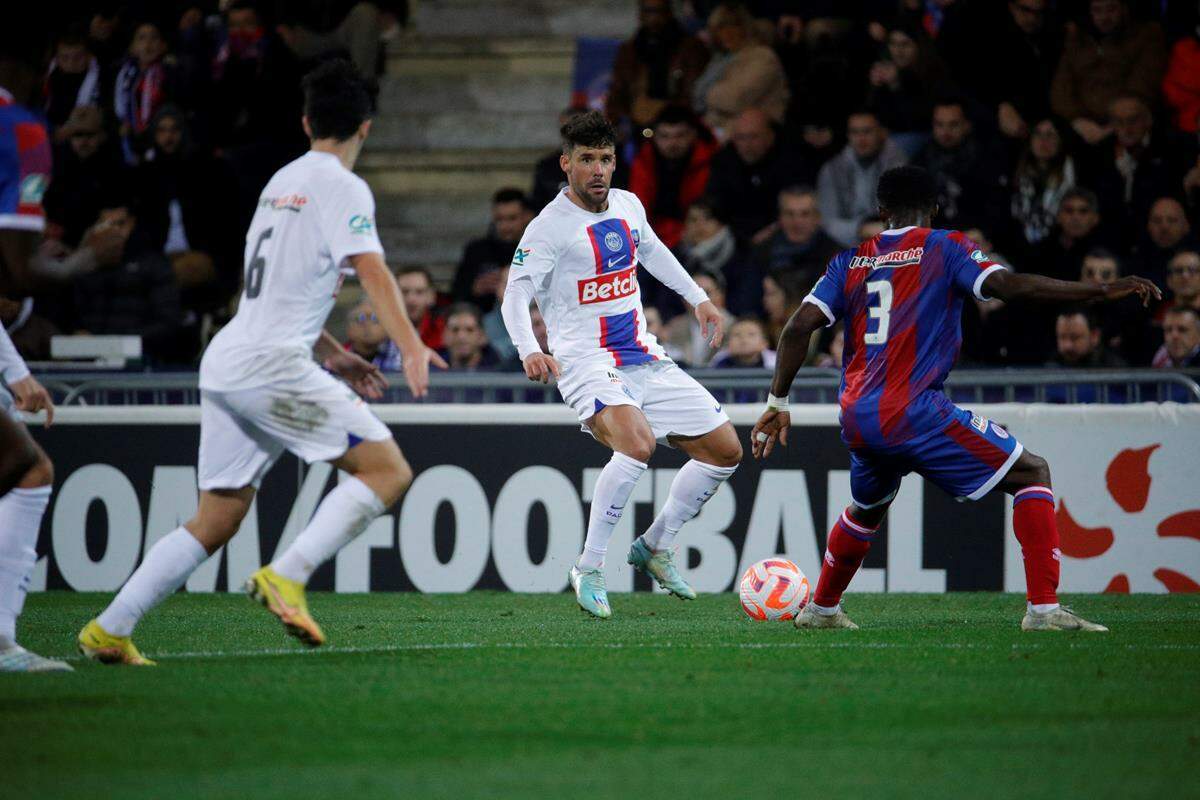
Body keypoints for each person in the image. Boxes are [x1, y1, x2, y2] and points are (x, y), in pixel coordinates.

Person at [78, 60, 446, 666]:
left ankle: (109, 629)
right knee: (387, 471)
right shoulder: (344, 187)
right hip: (270, 365)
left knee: (217, 516)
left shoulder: (281, 182)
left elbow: (275, 291)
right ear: (366, 128)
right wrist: (408, 345)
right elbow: (373, 269)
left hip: (228, 358)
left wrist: (336, 353)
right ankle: (288, 574)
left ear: (306, 122)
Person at [752, 165, 1159, 632]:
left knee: (868, 506)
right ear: (935, 208)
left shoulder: (850, 260)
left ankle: (821, 609)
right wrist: (1100, 290)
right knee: (1031, 472)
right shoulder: (945, 246)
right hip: (912, 409)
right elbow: (1007, 286)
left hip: (858, 414)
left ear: (882, 212)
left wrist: (778, 403)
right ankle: (1044, 611)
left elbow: (798, 326)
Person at [501, 111, 741, 618]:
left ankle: (655, 545)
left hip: (643, 354)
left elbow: (653, 253)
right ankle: (589, 566)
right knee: (637, 443)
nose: (597, 170)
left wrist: (698, 299)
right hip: (585, 361)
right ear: (566, 164)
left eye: (605, 159)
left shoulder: (629, 205)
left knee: (725, 451)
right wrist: (529, 349)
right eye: (586, 159)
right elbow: (514, 295)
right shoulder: (547, 228)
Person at [1050, 0, 1167, 145]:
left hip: (1128, 123)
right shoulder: (1077, 39)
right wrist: (1077, 120)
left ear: (1124, 8)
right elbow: (1061, 88)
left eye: (1111, 9)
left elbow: (1143, 85)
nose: (1104, 17)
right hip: (1081, 125)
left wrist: (1117, 124)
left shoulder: (1147, 34)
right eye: (1097, 10)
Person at [605, 0, 709, 132]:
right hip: (633, 125)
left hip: (674, 126)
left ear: (669, 13)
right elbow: (617, 90)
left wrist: (672, 121)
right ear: (641, 15)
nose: (654, 17)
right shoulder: (630, 49)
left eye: (659, 11)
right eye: (648, 11)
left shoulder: (690, 48)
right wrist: (616, 122)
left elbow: (692, 92)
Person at [628, 105, 717, 251]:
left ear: (693, 135)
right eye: (664, 136)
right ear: (655, 136)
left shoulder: (710, 162)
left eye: (680, 135)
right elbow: (638, 211)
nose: (672, 143)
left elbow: (707, 213)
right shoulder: (643, 162)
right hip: (651, 239)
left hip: (696, 238)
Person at [694, 3, 789, 135]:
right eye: (721, 27)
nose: (727, 33)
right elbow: (696, 95)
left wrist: (708, 93)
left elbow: (735, 100)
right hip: (716, 127)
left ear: (746, 28)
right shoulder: (719, 60)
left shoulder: (763, 57)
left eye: (734, 25)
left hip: (752, 134)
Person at [817, 110, 908, 247]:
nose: (861, 139)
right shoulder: (831, 169)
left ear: (881, 133)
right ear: (848, 135)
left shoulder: (899, 166)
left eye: (867, 131)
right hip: (843, 247)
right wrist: (860, 229)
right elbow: (827, 222)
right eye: (855, 132)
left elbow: (905, 219)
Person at [452, 188, 533, 312]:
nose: (505, 226)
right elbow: (456, 293)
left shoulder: (537, 249)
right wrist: (475, 288)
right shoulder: (476, 251)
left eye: (512, 218)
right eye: (499, 219)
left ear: (527, 216)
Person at [1051, 306, 1128, 368]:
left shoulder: (1115, 372)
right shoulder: (1049, 369)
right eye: (1062, 337)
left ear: (1094, 336)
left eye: (1075, 338)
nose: (1068, 346)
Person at [438, 303, 500, 370]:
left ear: (482, 336)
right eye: (455, 330)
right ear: (444, 335)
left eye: (469, 330)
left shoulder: (501, 371)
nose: (461, 337)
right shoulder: (431, 370)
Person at [397, 266, 445, 351]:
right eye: (404, 292)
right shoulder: (380, 331)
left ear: (431, 297)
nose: (411, 299)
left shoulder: (444, 331)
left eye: (419, 292)